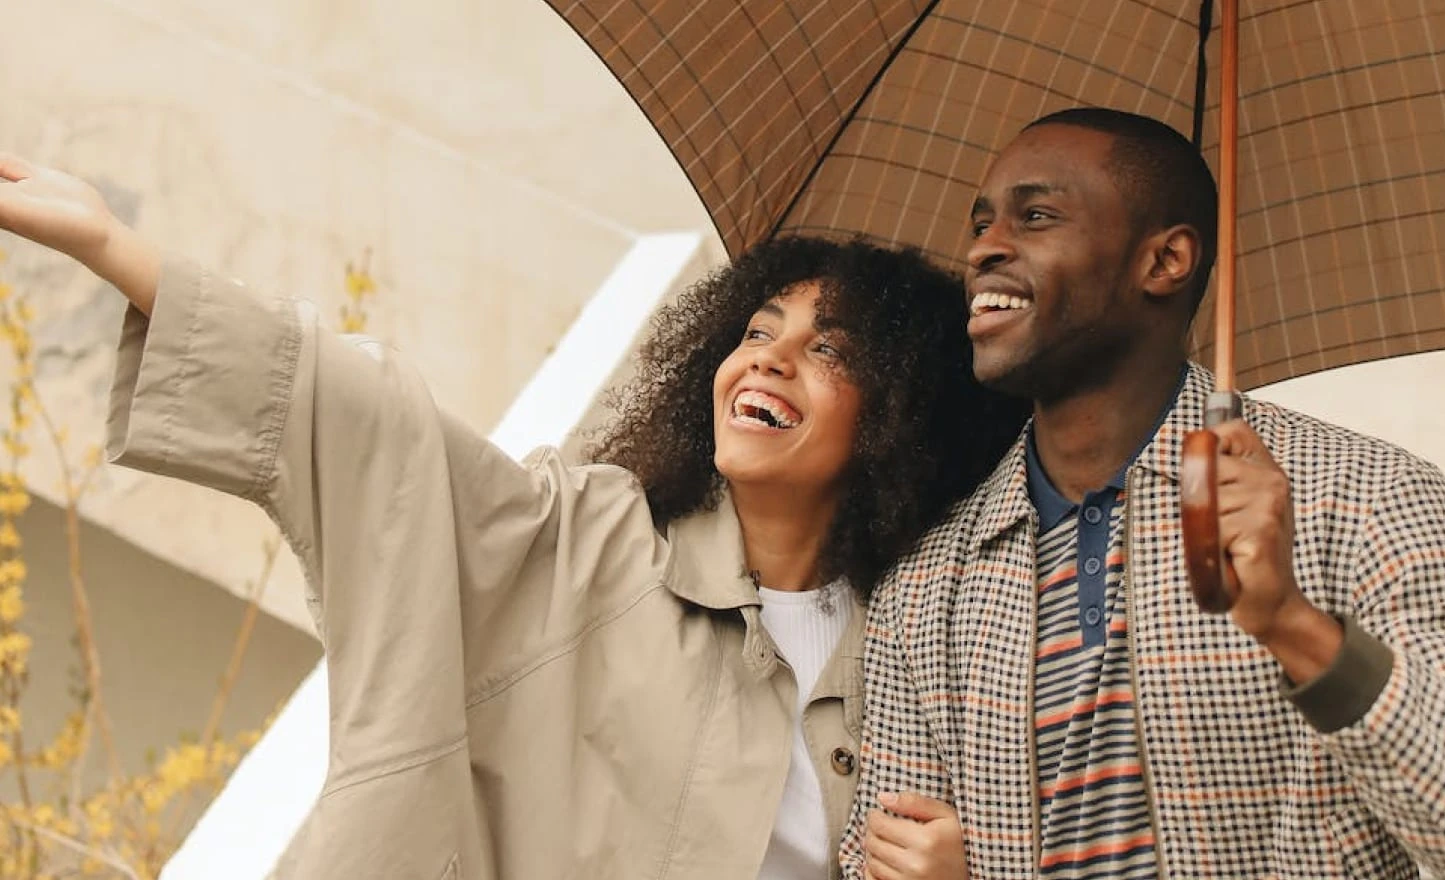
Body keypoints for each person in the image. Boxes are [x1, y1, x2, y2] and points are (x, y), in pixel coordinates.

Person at [0, 154, 1028, 879]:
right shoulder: (580, 542)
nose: (767, 356)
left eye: (830, 349)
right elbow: (382, 436)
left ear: (902, 414)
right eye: (759, 328)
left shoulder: (925, 652)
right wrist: (115, 249)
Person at [841, 108, 1445, 879]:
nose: (984, 247)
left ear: (1166, 261)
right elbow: (873, 855)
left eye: (1037, 216)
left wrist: (1295, 627)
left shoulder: (1365, 496)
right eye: (982, 223)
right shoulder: (925, 582)